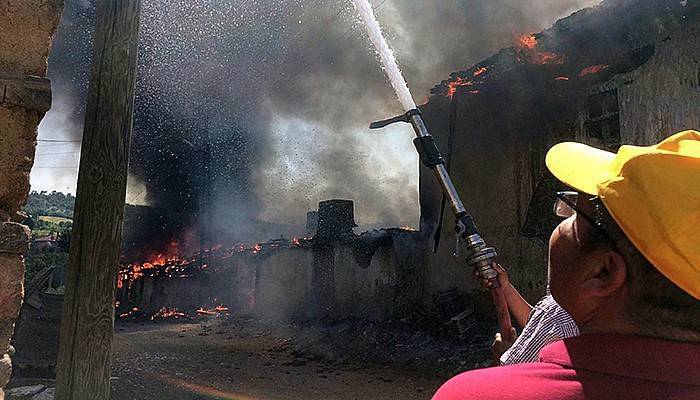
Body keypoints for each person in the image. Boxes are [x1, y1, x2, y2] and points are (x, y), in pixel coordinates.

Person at [433, 130, 700, 400]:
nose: (561, 219)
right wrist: (507, 288)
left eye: (572, 213)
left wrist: (507, 366)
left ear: (603, 272)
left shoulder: (471, 395)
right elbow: (545, 322)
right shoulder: (582, 311)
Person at [481, 264, 579, 365]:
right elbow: (540, 325)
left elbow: (513, 371)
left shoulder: (559, 314)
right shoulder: (583, 305)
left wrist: (502, 356)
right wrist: (505, 287)